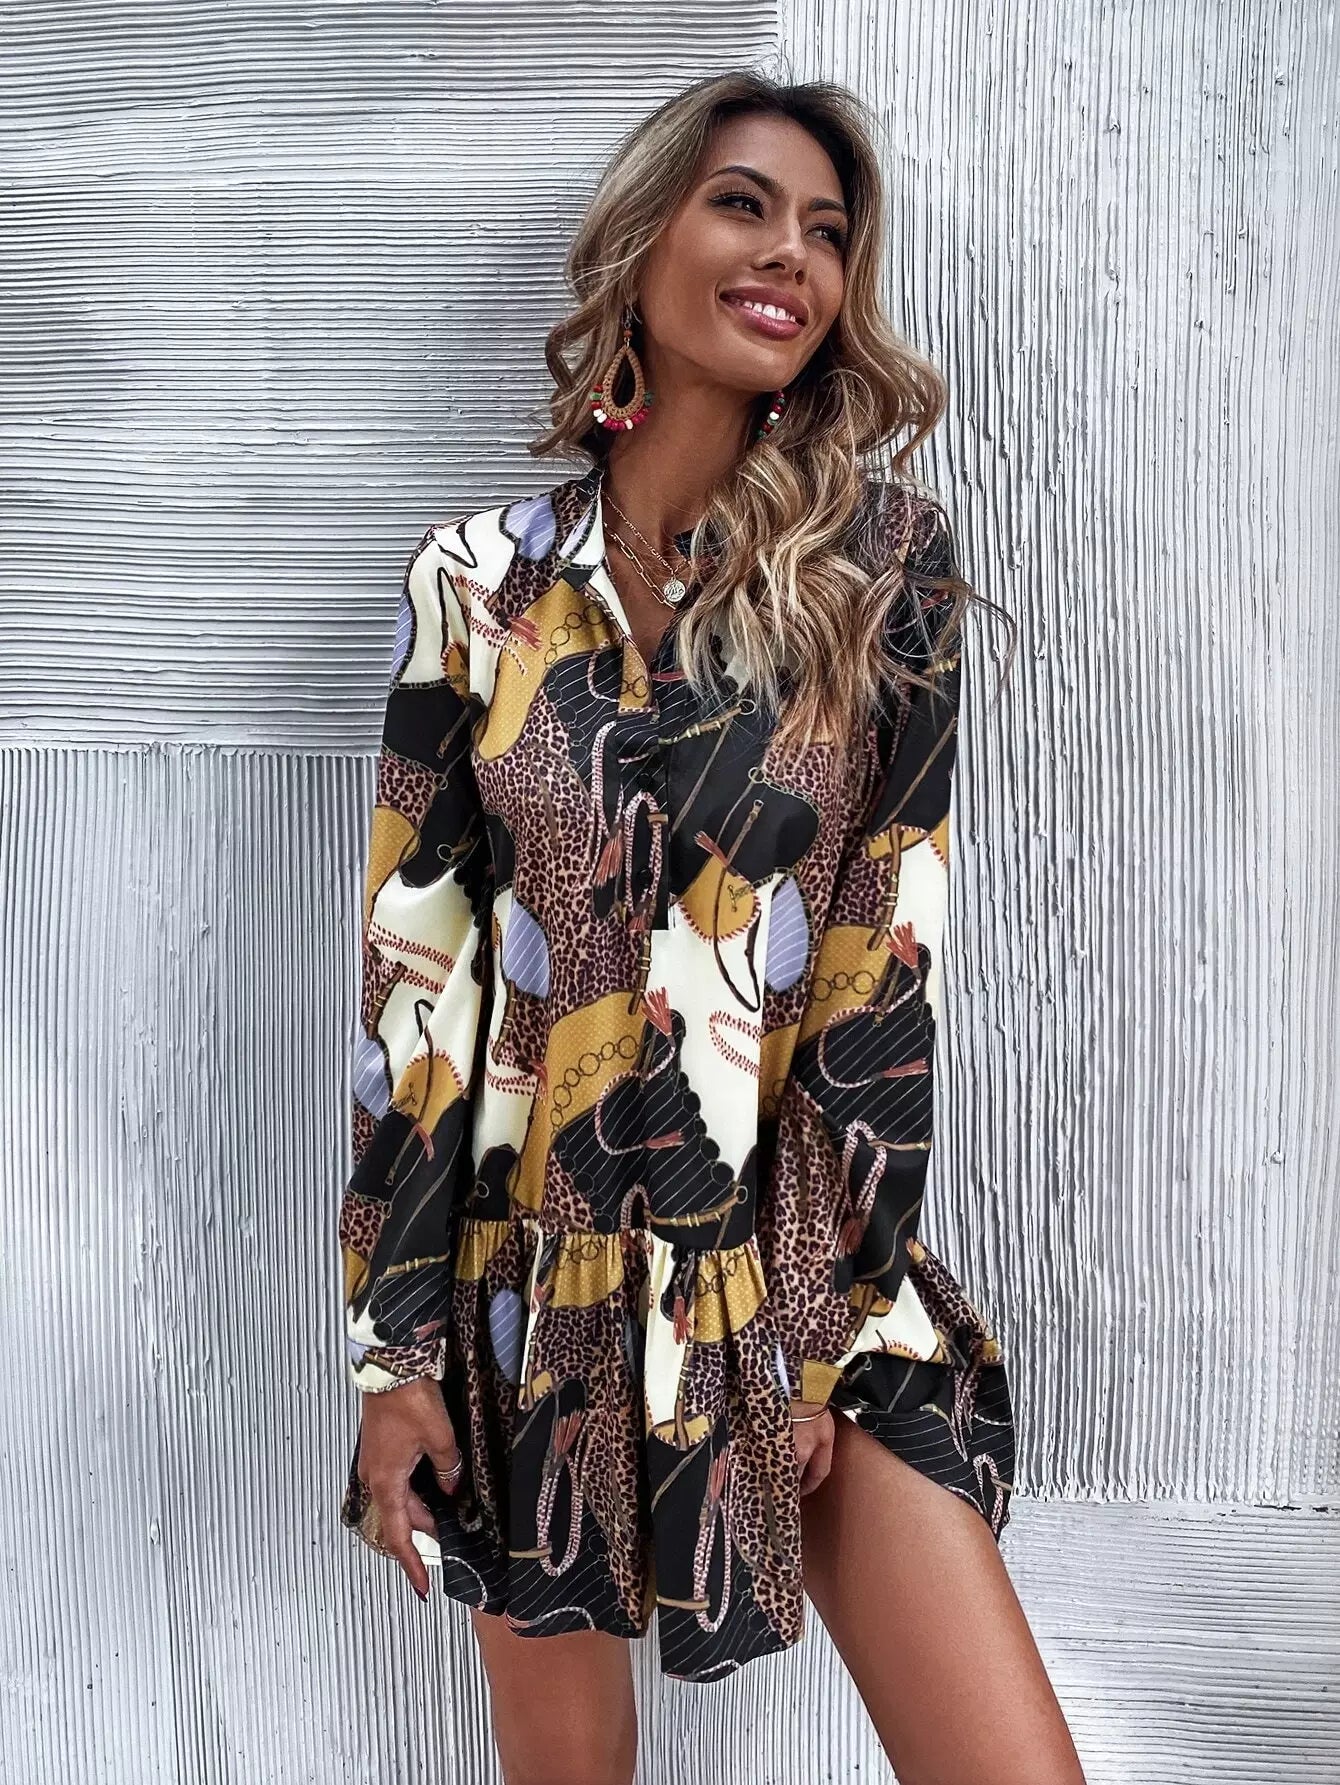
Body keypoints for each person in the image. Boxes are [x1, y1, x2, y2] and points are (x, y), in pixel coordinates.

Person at [336, 68, 1085, 1785]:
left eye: (827, 230)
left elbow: (882, 974)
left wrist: (809, 1326)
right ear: (646, 237)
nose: (791, 253)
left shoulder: (882, 575)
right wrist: (393, 1353)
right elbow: (419, 996)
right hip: (538, 1292)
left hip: (804, 1282)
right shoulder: (475, 588)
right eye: (745, 203)